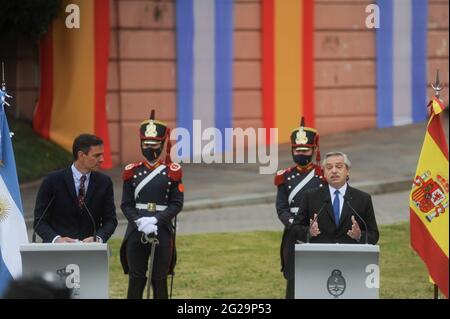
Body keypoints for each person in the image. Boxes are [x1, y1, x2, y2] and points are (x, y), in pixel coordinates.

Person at [120, 110, 184, 299]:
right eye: (146, 143)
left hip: (161, 229)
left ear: (163, 144)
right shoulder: (131, 171)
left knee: (159, 279)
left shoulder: (172, 172)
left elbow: (176, 204)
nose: (150, 147)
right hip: (136, 228)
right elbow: (126, 204)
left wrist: (155, 220)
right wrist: (139, 222)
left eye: (154, 143)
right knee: (136, 278)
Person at [33, 134, 117, 243]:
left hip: (91, 252)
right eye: (97, 155)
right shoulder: (52, 180)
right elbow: (40, 221)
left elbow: (110, 220)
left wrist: (98, 239)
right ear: (81, 155)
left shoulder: (104, 182)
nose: (102, 159)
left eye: (102, 155)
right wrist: (57, 239)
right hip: (57, 252)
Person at [274, 117, 324, 299]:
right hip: (293, 231)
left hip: (318, 231)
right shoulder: (284, 177)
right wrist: (295, 226)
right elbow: (281, 208)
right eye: (297, 150)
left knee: (318, 275)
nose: (301, 153)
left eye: (305, 150)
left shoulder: (322, 175)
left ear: (313, 150)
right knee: (293, 278)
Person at [292, 151, 379, 245]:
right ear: (324, 173)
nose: (334, 171)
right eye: (329, 168)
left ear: (347, 171)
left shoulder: (363, 198)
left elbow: (374, 235)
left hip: (351, 256)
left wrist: (359, 235)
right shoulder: (310, 197)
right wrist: (309, 232)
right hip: (320, 256)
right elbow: (295, 229)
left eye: (339, 167)